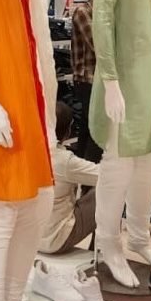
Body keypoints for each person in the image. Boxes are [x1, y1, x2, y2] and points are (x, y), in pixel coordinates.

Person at [39, 101, 99, 255]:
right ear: (69, 130)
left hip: (29, 238)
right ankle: (101, 252)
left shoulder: (27, 152)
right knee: (111, 190)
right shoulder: (64, 161)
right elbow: (106, 177)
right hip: (55, 240)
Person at [71, 0, 101, 163]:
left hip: (96, 80)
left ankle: (82, 168)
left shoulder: (103, 14)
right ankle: (91, 172)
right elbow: (97, 43)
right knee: (97, 129)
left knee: (87, 128)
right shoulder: (83, 12)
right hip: (86, 79)